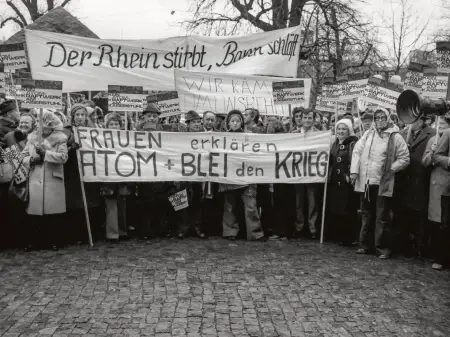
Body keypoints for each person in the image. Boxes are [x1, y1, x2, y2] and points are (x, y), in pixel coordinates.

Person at [350, 108, 410, 259]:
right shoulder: (368, 134)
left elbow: (404, 158)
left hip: (383, 182)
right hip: (367, 181)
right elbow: (357, 151)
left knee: (382, 216)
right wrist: (354, 171)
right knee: (366, 214)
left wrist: (391, 169)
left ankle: (381, 247)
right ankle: (365, 245)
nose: (380, 120)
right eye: (378, 118)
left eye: (383, 117)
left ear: (388, 119)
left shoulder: (395, 136)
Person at [21, 112, 68, 251]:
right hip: (35, 179)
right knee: (35, 214)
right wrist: (30, 160)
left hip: (53, 179)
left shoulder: (60, 139)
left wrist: (46, 154)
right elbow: (23, 156)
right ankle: (35, 242)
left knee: (52, 214)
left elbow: (63, 157)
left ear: (51, 126)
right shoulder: (32, 139)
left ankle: (53, 241)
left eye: (45, 124)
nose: (41, 127)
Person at [219, 109, 265, 241]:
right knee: (230, 205)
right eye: (232, 121)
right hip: (229, 176)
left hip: (247, 175)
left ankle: (255, 233)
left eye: (237, 121)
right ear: (228, 123)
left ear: (241, 122)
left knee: (250, 204)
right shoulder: (222, 137)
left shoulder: (249, 136)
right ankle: (230, 232)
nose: (235, 123)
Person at [394, 116, 436, 257]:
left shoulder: (433, 134)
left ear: (423, 120)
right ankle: (403, 245)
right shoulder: (402, 133)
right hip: (404, 180)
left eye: (416, 119)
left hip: (420, 179)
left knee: (419, 216)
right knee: (403, 214)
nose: (413, 122)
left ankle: (420, 247)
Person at [63, 104, 103, 244]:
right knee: (76, 204)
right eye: (77, 115)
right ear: (73, 117)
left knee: (91, 202)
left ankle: (91, 234)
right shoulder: (66, 131)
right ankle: (76, 235)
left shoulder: (92, 131)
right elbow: (61, 151)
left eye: (83, 115)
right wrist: (70, 147)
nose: (80, 117)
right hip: (73, 171)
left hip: (89, 169)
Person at [136, 103, 174, 239]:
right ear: (144, 117)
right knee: (146, 202)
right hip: (145, 171)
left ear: (158, 118)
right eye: (149, 116)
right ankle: (146, 231)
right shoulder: (137, 132)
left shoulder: (165, 131)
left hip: (161, 170)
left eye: (154, 116)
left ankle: (162, 229)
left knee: (162, 201)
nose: (151, 118)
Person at [422, 113, 450, 270]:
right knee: (440, 221)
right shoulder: (437, 138)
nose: (443, 126)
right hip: (441, 183)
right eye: (442, 123)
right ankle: (439, 255)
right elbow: (428, 161)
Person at [327, 119, 359, 245]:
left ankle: (348, 237)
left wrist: (349, 174)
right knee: (336, 208)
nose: (340, 131)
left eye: (343, 129)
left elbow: (355, 159)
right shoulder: (334, 143)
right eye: (339, 129)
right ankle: (337, 235)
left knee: (347, 208)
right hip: (335, 179)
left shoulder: (352, 143)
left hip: (346, 180)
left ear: (349, 130)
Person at [175, 110, 207, 239]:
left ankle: (197, 227)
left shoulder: (205, 137)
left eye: (198, 122)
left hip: (199, 173)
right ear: (188, 124)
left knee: (198, 201)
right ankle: (183, 227)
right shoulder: (181, 137)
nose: (197, 124)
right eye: (194, 122)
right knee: (182, 200)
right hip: (184, 173)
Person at [291, 107, 320, 239]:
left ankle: (312, 229)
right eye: (305, 118)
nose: (307, 120)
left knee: (312, 202)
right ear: (300, 119)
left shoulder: (320, 135)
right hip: (298, 173)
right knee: (298, 202)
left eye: (310, 118)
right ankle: (299, 227)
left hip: (313, 173)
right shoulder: (294, 134)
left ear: (313, 120)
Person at [101, 114, 131, 243]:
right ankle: (112, 234)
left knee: (122, 204)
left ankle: (123, 231)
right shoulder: (101, 139)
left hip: (123, 175)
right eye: (111, 124)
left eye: (116, 124)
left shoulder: (127, 138)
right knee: (111, 204)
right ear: (107, 126)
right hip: (109, 176)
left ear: (121, 125)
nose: (114, 126)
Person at [0, 100, 21, 249]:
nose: (19, 113)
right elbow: (10, 150)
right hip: (7, 171)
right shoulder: (4, 129)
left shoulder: (11, 127)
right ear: (9, 113)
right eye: (16, 110)